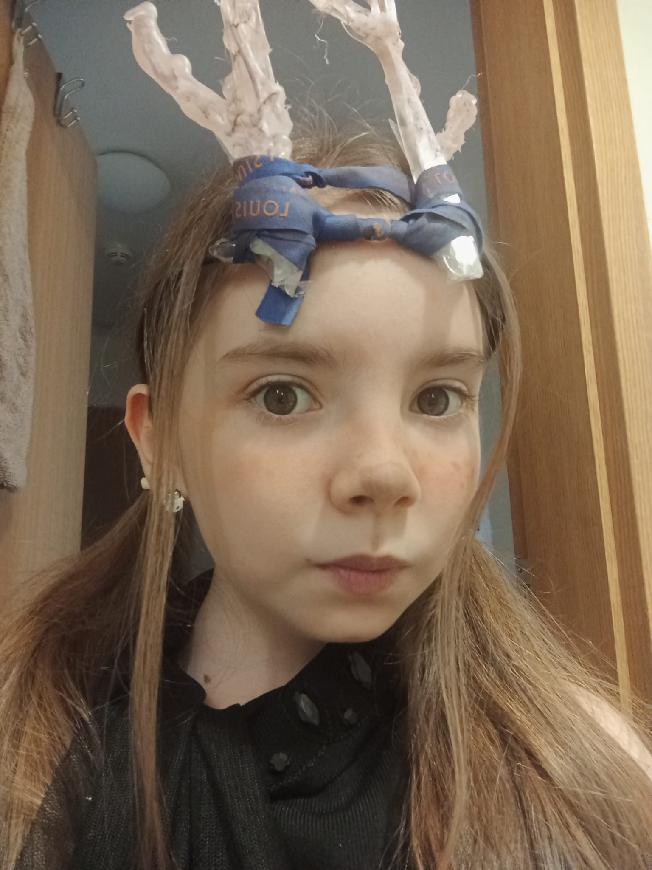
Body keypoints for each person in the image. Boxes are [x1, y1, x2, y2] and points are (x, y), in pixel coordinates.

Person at [2, 3, 652, 869]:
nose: (384, 475)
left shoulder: (594, 783)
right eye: (282, 395)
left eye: (437, 398)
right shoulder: (29, 756)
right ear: (161, 441)